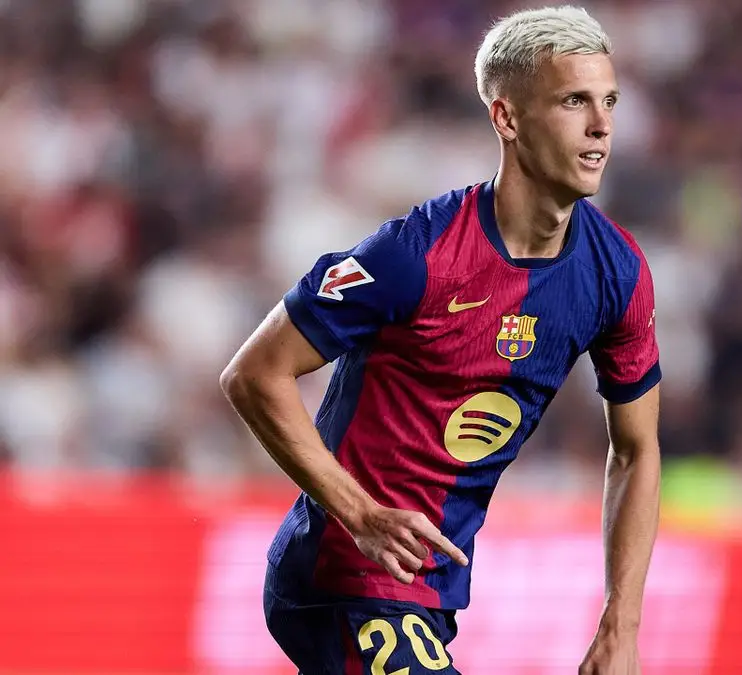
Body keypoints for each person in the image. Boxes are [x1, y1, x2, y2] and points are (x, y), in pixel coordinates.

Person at [220, 6, 662, 674]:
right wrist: (360, 512)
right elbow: (254, 372)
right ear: (508, 118)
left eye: (608, 101)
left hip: (428, 591)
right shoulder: (415, 254)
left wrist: (620, 627)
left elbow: (636, 450)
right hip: (340, 575)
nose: (601, 125)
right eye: (574, 101)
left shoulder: (617, 272)